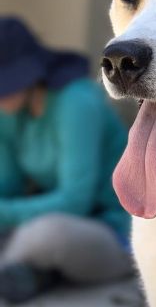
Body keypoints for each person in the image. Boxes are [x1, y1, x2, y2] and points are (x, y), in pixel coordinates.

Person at [0, 17, 132, 304]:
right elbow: (8, 187)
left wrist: (4, 214)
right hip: (42, 221)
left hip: (108, 230)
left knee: (45, 234)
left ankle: (23, 267)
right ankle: (35, 272)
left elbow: (75, 201)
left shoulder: (76, 102)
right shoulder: (9, 112)